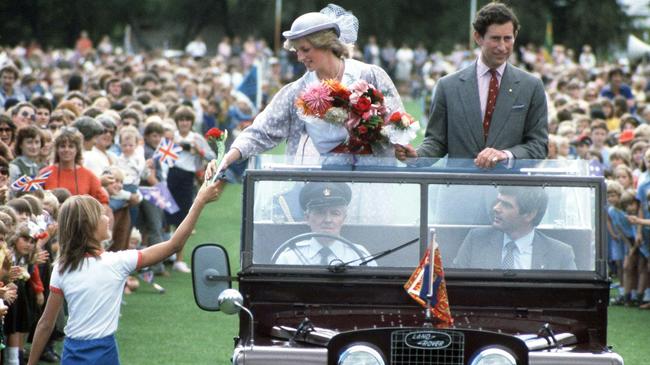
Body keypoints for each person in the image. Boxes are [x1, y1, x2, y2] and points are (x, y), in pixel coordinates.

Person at [27, 178, 222, 365]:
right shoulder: (117, 263)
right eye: (101, 214)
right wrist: (199, 202)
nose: (107, 217)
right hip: (104, 353)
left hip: (72, 353)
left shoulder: (62, 267)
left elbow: (45, 324)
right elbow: (174, 244)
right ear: (89, 227)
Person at [208, 4, 405, 178]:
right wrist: (227, 158)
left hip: (373, 175)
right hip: (323, 185)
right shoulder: (296, 92)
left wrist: (401, 145)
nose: (300, 57)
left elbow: (398, 120)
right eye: (297, 51)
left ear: (326, 43)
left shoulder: (369, 74)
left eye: (305, 49)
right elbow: (261, 132)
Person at [395, 2, 548, 168]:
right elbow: (436, 142)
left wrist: (505, 155)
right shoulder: (448, 86)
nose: (502, 46)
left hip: (510, 190)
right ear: (478, 37)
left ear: (515, 36)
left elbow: (539, 145)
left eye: (508, 38)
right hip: (460, 189)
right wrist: (417, 155)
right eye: (495, 39)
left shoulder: (531, 86)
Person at [453, 186, 577, 270]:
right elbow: (453, 290)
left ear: (529, 214)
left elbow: (569, 301)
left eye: (506, 205)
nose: (496, 208)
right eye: (498, 201)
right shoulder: (476, 240)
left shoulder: (560, 253)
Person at [274, 182, 375, 266]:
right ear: (307, 218)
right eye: (320, 212)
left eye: (335, 213)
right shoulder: (289, 258)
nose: (328, 219)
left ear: (344, 218)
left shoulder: (360, 258)